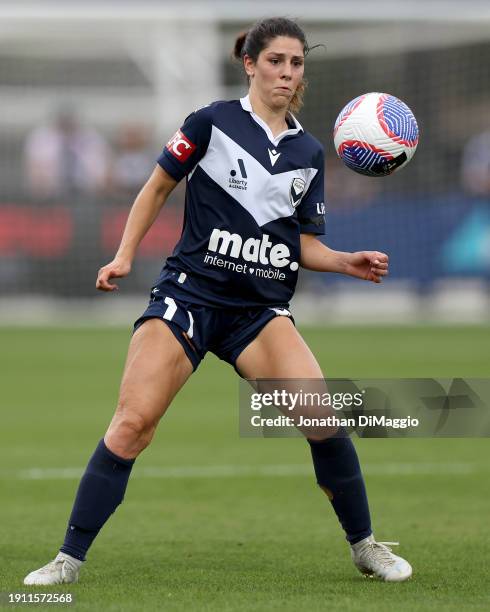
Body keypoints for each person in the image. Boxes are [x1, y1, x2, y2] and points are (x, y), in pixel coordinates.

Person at [24, 17, 412, 586]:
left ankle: (365, 547)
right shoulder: (211, 123)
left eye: (296, 62)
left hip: (257, 311)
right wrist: (125, 254)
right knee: (134, 423)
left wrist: (342, 259)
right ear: (250, 64)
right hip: (190, 295)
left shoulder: (308, 151)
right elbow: (157, 185)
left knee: (325, 421)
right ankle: (68, 559)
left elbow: (300, 242)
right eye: (275, 60)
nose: (286, 72)